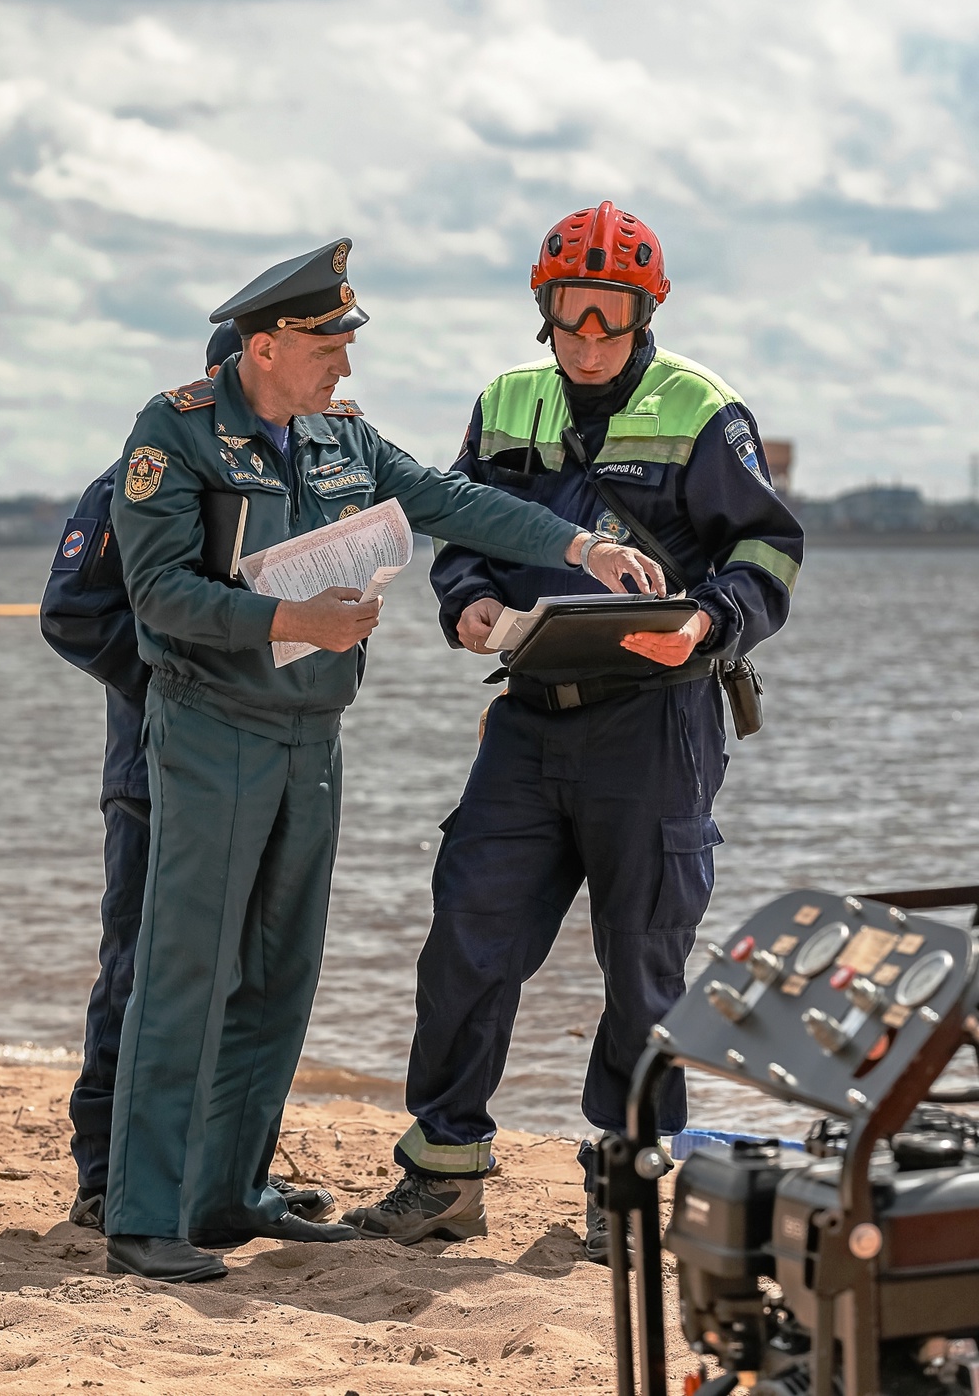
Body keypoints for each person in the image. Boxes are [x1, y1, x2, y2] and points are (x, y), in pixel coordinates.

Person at [103, 236, 657, 1283]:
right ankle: (142, 1216)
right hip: (214, 729)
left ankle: (228, 1195)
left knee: (282, 974)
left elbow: (455, 502)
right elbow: (159, 594)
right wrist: (291, 618)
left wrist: (581, 547)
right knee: (188, 973)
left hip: (314, 734)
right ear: (267, 346)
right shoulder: (174, 431)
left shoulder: (343, 434)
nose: (344, 365)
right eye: (327, 348)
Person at [342, 201, 805, 1257]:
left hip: (658, 721)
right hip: (528, 716)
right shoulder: (507, 400)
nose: (588, 341)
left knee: (644, 961)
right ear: (542, 309)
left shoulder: (704, 409)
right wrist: (466, 602)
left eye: (611, 318)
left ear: (648, 313)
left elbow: (769, 552)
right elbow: (460, 526)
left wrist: (708, 622)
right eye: (570, 316)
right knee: (467, 935)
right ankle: (444, 1173)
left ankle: (625, 1180)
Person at [40, 320, 337, 1233]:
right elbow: (72, 612)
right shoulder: (139, 473)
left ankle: (222, 1179)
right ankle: (107, 1176)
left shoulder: (293, 469)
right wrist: (187, 683)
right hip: (156, 764)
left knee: (248, 974)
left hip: (262, 755)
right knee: (143, 969)